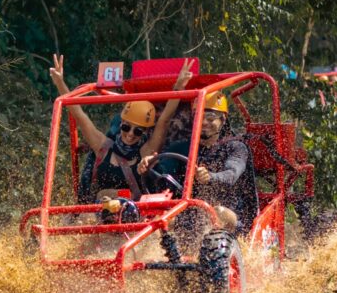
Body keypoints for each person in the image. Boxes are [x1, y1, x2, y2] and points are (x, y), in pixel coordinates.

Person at [49, 54, 194, 202]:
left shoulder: (145, 151)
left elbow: (164, 121)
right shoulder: (103, 147)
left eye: (137, 131)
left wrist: (179, 87)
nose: (130, 134)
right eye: (126, 127)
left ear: (144, 132)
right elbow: (79, 114)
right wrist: (59, 82)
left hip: (133, 215)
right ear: (121, 124)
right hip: (99, 213)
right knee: (84, 219)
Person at [138, 92, 257, 234]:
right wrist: (150, 166)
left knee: (217, 212)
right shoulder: (181, 148)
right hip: (193, 216)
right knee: (162, 219)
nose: (204, 122)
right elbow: (164, 176)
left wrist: (210, 177)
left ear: (223, 119)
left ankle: (215, 251)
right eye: (200, 117)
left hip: (234, 216)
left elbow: (231, 174)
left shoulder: (236, 147)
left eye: (210, 118)